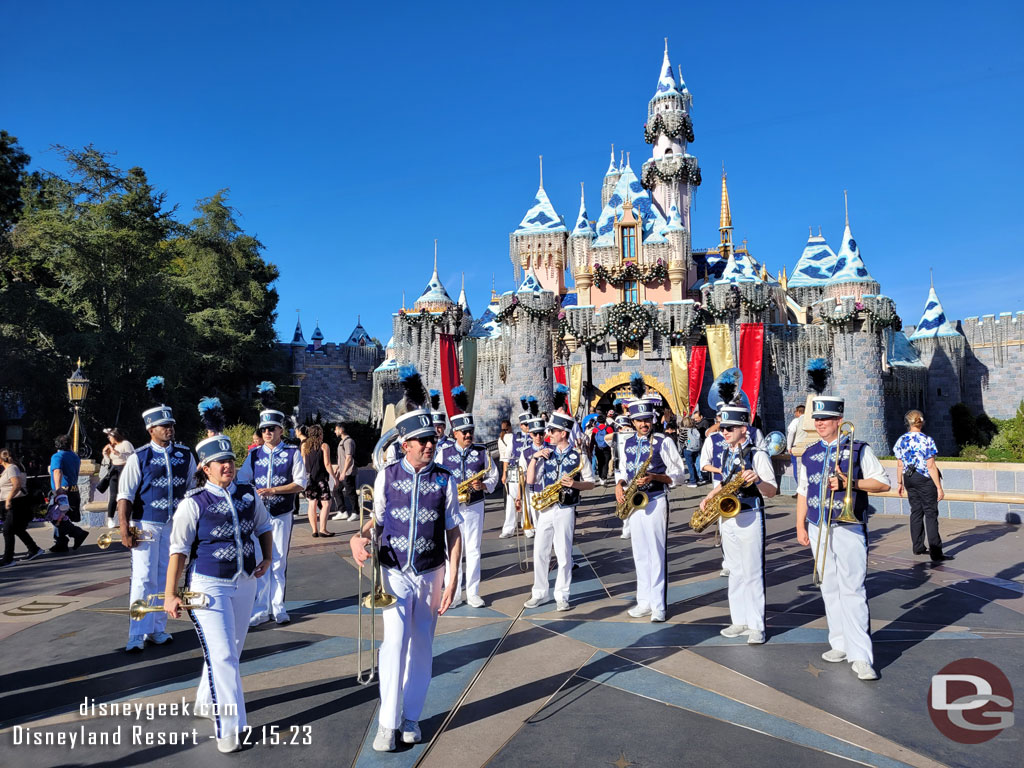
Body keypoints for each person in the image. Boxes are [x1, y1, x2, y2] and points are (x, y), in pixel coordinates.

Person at [350, 364, 462, 752]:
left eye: (431, 439)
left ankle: (411, 717)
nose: (429, 445)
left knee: (422, 646)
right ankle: (387, 723)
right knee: (394, 643)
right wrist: (357, 537)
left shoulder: (446, 479)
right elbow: (376, 521)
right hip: (394, 570)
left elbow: (453, 531)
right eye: (421, 440)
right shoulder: (387, 476)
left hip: (432, 570)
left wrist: (453, 580)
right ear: (405, 444)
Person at [165, 431, 273, 753]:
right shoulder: (194, 503)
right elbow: (178, 550)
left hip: (244, 582)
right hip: (208, 585)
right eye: (220, 462)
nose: (228, 466)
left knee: (230, 651)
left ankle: (203, 701)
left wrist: (267, 557)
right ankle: (230, 730)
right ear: (205, 467)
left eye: (230, 460)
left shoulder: (248, 493)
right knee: (223, 655)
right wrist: (171, 593)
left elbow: (264, 526)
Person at [795, 396, 890, 681]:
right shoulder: (809, 453)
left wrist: (852, 483)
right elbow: (802, 491)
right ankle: (840, 643)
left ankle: (861, 655)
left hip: (848, 525)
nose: (820, 424)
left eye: (825, 419)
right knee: (829, 586)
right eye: (817, 419)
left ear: (839, 420)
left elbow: (883, 482)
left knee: (853, 589)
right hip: (817, 525)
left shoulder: (859, 449)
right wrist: (799, 525)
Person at [117, 379, 197, 652]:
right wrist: (124, 528)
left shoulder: (186, 455)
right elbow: (124, 495)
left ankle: (158, 628)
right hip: (146, 523)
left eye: (171, 425)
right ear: (151, 429)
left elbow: (191, 491)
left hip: (175, 524)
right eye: (164, 426)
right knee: (142, 577)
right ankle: (137, 632)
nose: (169, 429)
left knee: (168, 576)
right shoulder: (138, 457)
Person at [697, 405, 777, 643]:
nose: (724, 432)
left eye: (729, 428)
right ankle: (739, 620)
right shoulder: (725, 453)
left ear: (744, 428)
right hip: (728, 516)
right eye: (722, 428)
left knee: (752, 571)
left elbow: (771, 491)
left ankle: (756, 626)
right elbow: (725, 482)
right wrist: (709, 497)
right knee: (734, 570)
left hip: (750, 514)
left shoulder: (758, 455)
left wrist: (758, 479)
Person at [615, 380, 686, 623]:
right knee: (640, 554)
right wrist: (619, 485)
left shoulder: (664, 442)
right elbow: (622, 471)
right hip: (634, 504)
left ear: (652, 420)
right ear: (632, 422)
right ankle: (643, 600)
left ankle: (658, 605)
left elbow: (679, 474)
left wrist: (655, 476)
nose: (643, 424)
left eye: (647, 420)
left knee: (656, 553)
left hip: (656, 500)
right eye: (638, 420)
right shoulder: (627, 442)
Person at [238, 390, 306, 627]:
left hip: (281, 514)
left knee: (278, 561)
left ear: (280, 430)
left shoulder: (292, 453)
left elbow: (300, 483)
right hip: (258, 517)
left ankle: (278, 606)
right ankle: (260, 608)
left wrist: (274, 491)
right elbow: (242, 479)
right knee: (260, 560)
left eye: (272, 428)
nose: (267, 432)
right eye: (264, 429)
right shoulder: (254, 455)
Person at [523, 408, 595, 611]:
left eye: (552, 431)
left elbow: (591, 483)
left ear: (563, 433)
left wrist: (574, 484)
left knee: (564, 554)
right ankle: (539, 592)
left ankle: (562, 595)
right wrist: (535, 458)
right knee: (540, 552)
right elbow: (530, 480)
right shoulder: (545, 454)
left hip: (566, 508)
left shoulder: (579, 456)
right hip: (546, 508)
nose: (548, 435)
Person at [436, 386, 499, 608]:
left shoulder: (482, 451)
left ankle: (472, 592)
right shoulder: (443, 453)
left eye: (470, 430)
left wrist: (483, 485)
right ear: (455, 433)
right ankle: (453, 593)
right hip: (452, 507)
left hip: (474, 506)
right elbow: (436, 479)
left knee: (473, 549)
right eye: (464, 432)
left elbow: (494, 476)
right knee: (451, 551)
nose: (469, 434)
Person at [893, 410, 949, 562]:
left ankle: (917, 547)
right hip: (924, 478)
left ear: (908, 422)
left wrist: (899, 482)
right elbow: (930, 466)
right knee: (930, 513)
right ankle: (936, 552)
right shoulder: (926, 440)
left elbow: (899, 464)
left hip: (908, 477)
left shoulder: (901, 440)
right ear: (921, 422)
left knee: (916, 511)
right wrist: (939, 487)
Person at [1, 449, 45, 566]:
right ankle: (34, 549)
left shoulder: (12, 468)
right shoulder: (12, 468)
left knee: (7, 530)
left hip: (15, 502)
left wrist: (9, 499)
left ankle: (8, 558)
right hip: (15, 501)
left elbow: (16, 485)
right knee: (17, 529)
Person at [501, 397, 536, 539]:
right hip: (515, 472)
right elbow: (506, 457)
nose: (527, 427)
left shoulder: (536, 437)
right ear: (521, 425)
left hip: (530, 472)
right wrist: (504, 474)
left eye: (529, 424)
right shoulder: (513, 438)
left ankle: (527, 525)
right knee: (512, 499)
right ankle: (509, 528)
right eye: (525, 424)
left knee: (527, 498)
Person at [49, 434, 88, 552]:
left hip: (63, 490)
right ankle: (60, 542)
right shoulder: (75, 456)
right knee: (62, 517)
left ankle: (77, 533)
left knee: (55, 516)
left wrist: (57, 489)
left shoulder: (57, 456)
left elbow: (57, 472)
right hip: (74, 489)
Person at [302, 424, 334, 538]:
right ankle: (323, 529)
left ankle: (314, 530)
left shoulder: (305, 445)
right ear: (319, 434)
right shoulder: (324, 446)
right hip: (321, 479)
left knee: (312, 503)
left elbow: (303, 462)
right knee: (326, 503)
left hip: (309, 479)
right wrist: (334, 477)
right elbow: (327, 464)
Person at [100, 428, 135, 529]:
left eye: (109, 436)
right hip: (114, 469)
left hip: (124, 468)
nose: (109, 438)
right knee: (113, 495)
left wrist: (118, 453)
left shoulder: (126, 444)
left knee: (127, 494)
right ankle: (110, 518)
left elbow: (132, 457)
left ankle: (131, 518)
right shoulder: (112, 445)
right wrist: (105, 454)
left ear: (115, 436)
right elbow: (108, 461)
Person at [330, 423, 359, 523]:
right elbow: (341, 458)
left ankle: (356, 512)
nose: (335, 431)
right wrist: (338, 469)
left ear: (341, 430)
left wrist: (344, 471)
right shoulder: (342, 442)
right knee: (336, 490)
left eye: (336, 429)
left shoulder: (348, 441)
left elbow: (348, 458)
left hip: (348, 472)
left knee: (350, 492)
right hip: (343, 472)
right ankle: (342, 511)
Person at [785, 405, 805, 495]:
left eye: (795, 412)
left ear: (799, 412)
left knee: (798, 470)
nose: (795, 414)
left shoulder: (796, 420)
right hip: (809, 447)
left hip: (797, 447)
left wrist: (789, 446)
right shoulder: (811, 420)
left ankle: (799, 491)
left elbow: (791, 432)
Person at [591, 414, 614, 486]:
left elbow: (592, 440)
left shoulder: (595, 429)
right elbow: (612, 439)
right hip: (606, 448)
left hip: (598, 448)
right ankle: (604, 478)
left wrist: (591, 449)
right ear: (605, 420)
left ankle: (601, 477)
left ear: (597, 421)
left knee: (600, 463)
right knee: (606, 463)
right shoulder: (609, 428)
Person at [680, 415, 703, 488]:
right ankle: (696, 478)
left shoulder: (684, 430)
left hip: (688, 449)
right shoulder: (695, 429)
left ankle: (693, 481)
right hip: (696, 449)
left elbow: (681, 440)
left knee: (690, 466)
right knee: (695, 464)